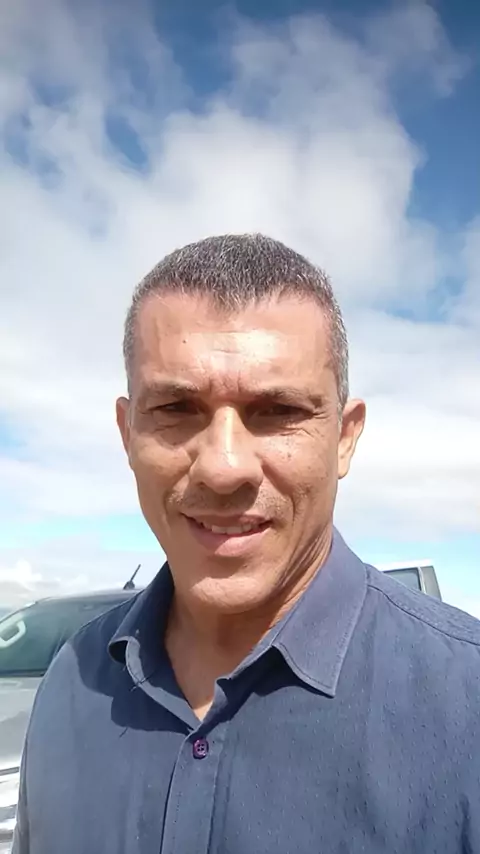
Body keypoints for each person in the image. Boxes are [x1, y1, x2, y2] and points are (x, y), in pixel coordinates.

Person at [13, 234, 480, 854]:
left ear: (345, 438)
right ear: (127, 435)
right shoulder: (73, 681)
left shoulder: (465, 706)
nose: (223, 467)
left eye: (278, 410)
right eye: (176, 407)